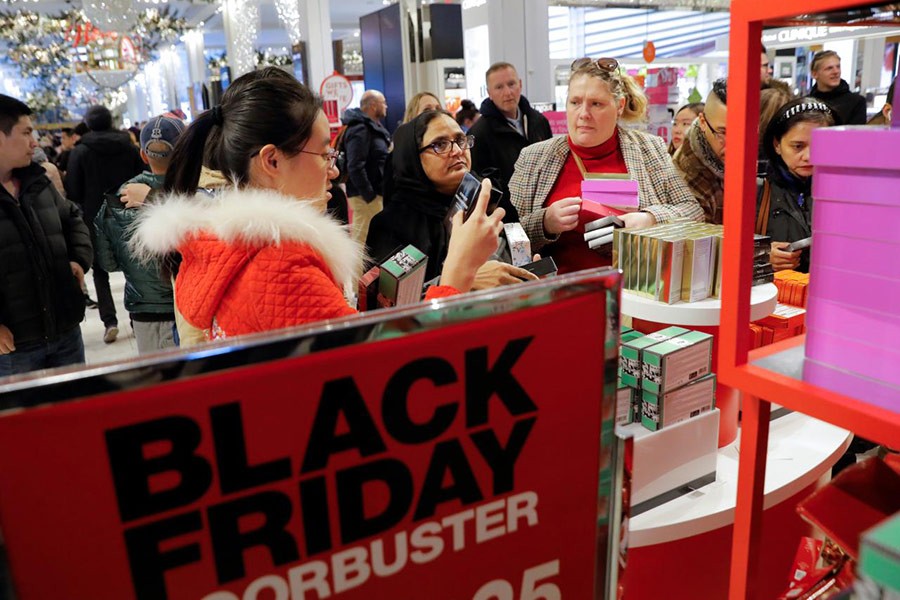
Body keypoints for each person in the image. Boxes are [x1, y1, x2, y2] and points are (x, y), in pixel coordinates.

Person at [130, 68, 503, 341]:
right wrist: (458, 274)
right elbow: (382, 369)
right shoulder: (278, 263)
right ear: (272, 161)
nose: (333, 169)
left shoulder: (231, 245)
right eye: (324, 154)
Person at [511, 57, 703, 275]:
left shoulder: (649, 149)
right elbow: (507, 235)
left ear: (619, 106)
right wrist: (545, 223)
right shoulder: (534, 158)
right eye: (575, 102)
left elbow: (692, 210)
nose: (583, 114)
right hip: (560, 292)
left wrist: (647, 218)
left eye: (596, 104)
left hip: (635, 292)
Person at [367, 110, 537, 287]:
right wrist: (465, 279)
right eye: (440, 145)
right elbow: (387, 303)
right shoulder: (391, 225)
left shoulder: (488, 194)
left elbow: (519, 253)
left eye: (460, 140)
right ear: (412, 158)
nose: (457, 151)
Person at [0, 94, 93, 376]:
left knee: (78, 412)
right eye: (26, 132)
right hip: (13, 348)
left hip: (65, 331)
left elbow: (72, 218)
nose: (35, 142)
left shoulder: (38, 182)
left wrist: (78, 259)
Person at [94, 114, 185, 354]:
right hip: (195, 308)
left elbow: (108, 263)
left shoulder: (119, 199)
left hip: (147, 313)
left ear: (143, 154)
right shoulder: (197, 192)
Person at [66, 104, 144, 344]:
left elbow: (73, 189)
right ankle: (135, 319)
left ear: (88, 124)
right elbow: (140, 175)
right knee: (133, 268)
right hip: (127, 211)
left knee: (100, 272)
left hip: (95, 216)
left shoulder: (81, 151)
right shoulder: (129, 146)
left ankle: (109, 321)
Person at [756, 99, 834, 274]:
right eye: (798, 146)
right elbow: (725, 250)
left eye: (820, 146)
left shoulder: (845, 192)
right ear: (777, 145)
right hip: (776, 296)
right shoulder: (756, 190)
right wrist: (760, 256)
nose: (809, 156)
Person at [468, 62, 553, 222]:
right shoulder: (480, 133)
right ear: (489, 93)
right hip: (507, 220)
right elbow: (482, 187)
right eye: (499, 87)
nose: (508, 92)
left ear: (520, 85)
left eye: (511, 84)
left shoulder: (539, 121)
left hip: (543, 213)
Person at [673, 78, 728, 224]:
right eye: (723, 133)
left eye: (743, 132)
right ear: (703, 122)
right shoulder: (686, 177)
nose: (735, 144)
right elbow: (703, 243)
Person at [342, 89, 391, 244]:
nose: (386, 106)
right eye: (383, 102)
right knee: (362, 241)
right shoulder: (360, 129)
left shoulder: (372, 127)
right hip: (365, 197)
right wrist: (369, 195)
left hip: (374, 194)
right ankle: (356, 270)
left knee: (373, 239)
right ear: (372, 105)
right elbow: (355, 165)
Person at [809, 50, 866, 125]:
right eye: (829, 68)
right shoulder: (806, 104)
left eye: (838, 67)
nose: (836, 72)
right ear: (815, 74)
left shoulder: (856, 102)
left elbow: (856, 135)